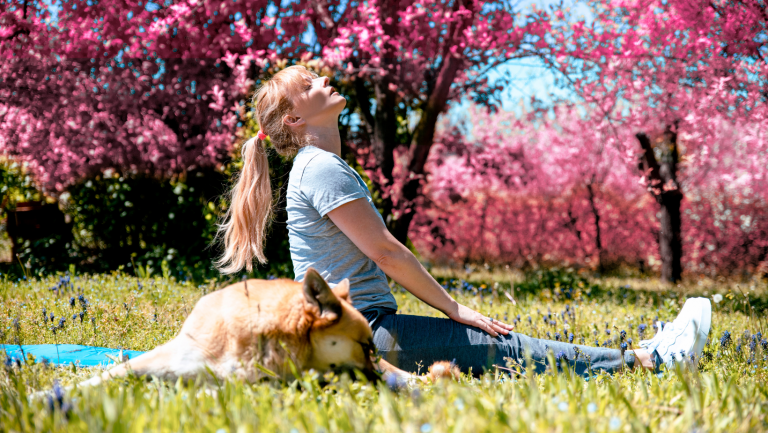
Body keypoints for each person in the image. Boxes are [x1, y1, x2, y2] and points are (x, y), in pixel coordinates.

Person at [214, 65, 712, 378]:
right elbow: (385, 251)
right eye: (309, 85)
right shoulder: (320, 166)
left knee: (505, 349)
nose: (324, 80)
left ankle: (644, 355)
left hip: (355, 329)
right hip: (364, 333)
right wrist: (456, 310)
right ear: (296, 120)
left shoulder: (319, 167)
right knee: (510, 347)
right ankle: (653, 362)